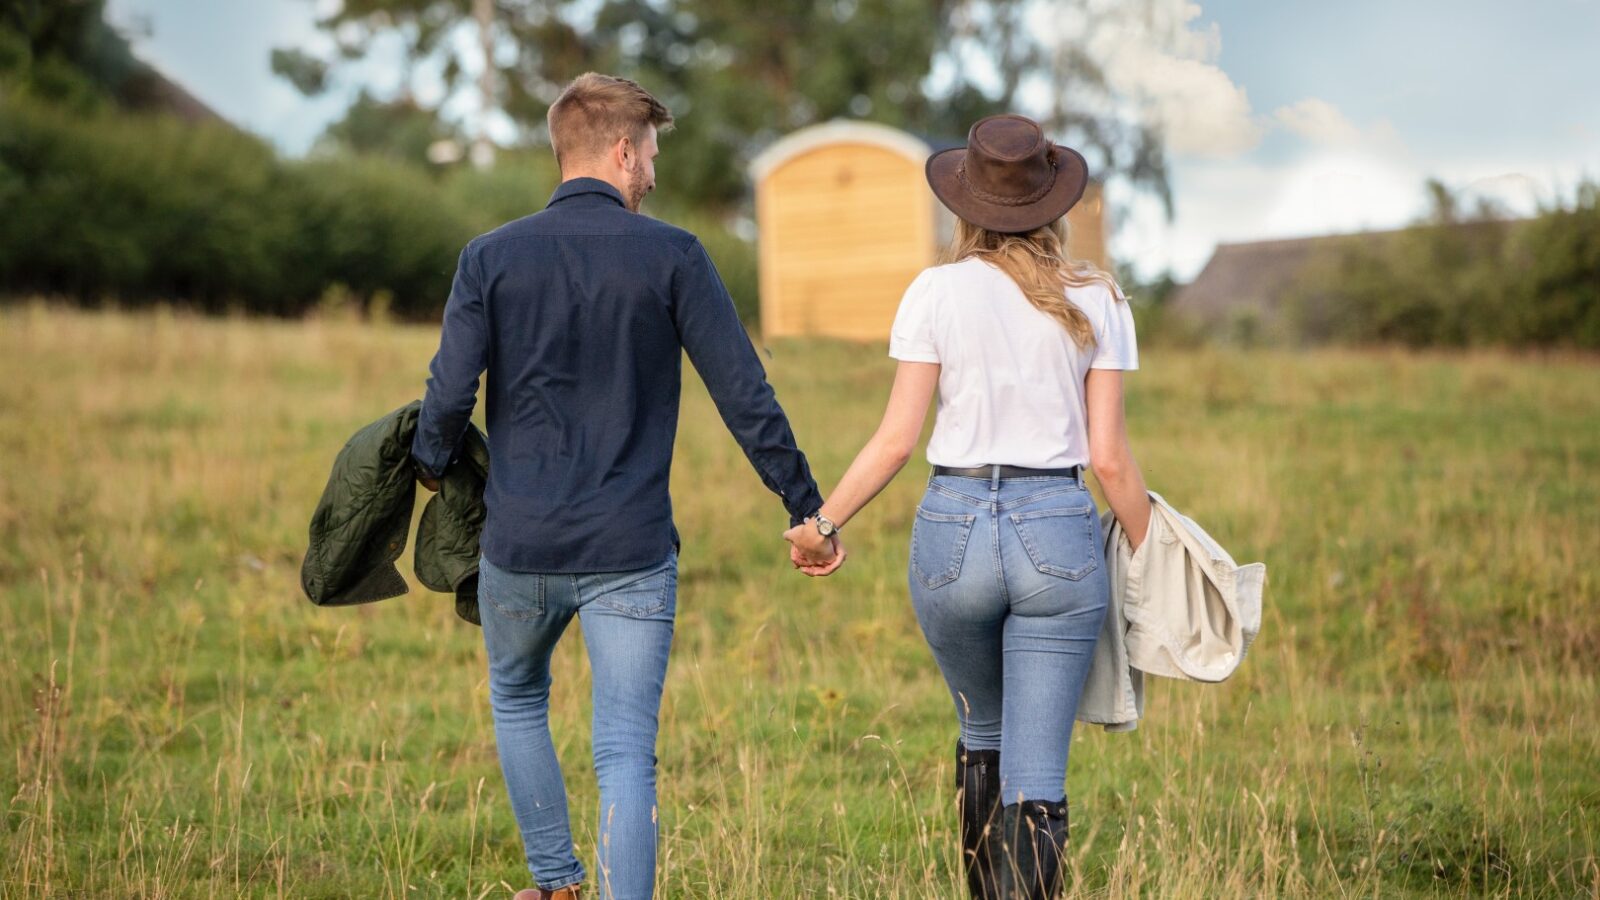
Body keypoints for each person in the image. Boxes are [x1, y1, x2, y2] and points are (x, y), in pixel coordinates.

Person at [411, 72, 842, 900]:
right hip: (632, 553)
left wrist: (431, 464)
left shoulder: (488, 257)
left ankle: (556, 883)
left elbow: (448, 393)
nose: (652, 173)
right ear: (620, 150)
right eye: (648, 154)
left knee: (516, 697)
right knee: (624, 751)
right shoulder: (673, 254)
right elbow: (743, 392)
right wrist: (804, 505)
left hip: (520, 545)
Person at [783, 114, 1153, 899]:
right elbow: (1112, 458)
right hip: (1055, 524)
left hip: (953, 529)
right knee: (1036, 771)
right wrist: (1154, 550)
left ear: (965, 204)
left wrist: (822, 525)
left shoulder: (933, 291)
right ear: (1052, 205)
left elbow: (894, 440)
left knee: (981, 730)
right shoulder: (1097, 297)